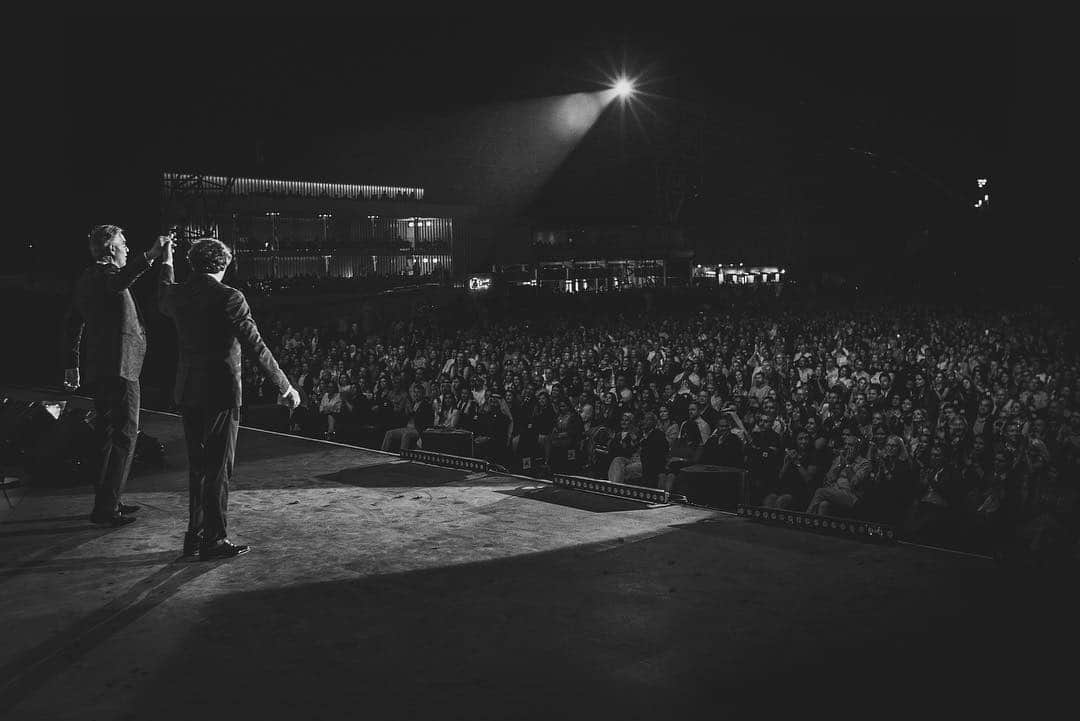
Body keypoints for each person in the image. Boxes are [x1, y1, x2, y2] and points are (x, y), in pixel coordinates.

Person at [159, 238, 300, 560]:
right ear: (224, 264)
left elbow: (164, 287)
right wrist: (285, 386)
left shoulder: (177, 295)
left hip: (188, 390)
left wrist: (167, 259)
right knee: (218, 469)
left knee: (198, 468)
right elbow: (255, 345)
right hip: (220, 393)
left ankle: (194, 537)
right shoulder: (229, 297)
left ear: (193, 264)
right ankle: (214, 540)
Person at [63, 225, 172, 527]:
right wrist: (149, 256)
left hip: (101, 367)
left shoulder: (86, 278)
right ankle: (106, 509)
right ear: (110, 249)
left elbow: (72, 322)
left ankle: (108, 500)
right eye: (123, 244)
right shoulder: (106, 275)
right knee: (124, 435)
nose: (126, 248)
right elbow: (120, 280)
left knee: (107, 437)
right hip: (120, 367)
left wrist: (72, 363)